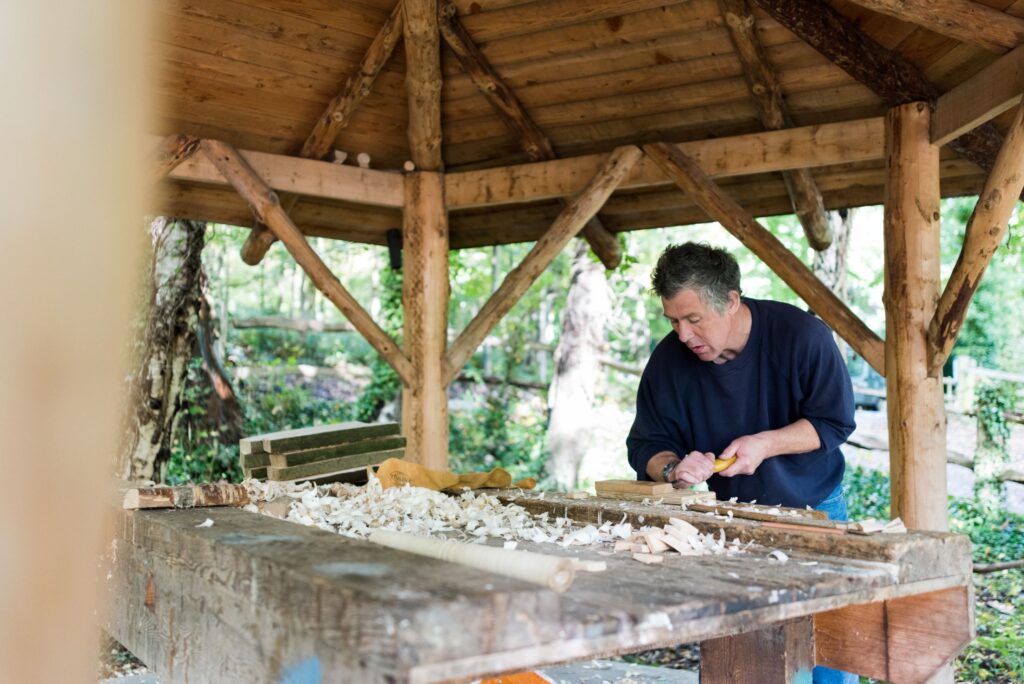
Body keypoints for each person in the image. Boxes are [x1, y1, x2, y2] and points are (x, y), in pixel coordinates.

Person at [626, 242, 857, 684]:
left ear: (731, 301)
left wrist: (766, 444)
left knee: (830, 654)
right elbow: (646, 444)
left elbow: (833, 422)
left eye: (694, 319)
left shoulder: (802, 336)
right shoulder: (668, 361)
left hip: (812, 511)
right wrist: (675, 470)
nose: (683, 335)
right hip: (726, 527)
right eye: (673, 320)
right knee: (746, 661)